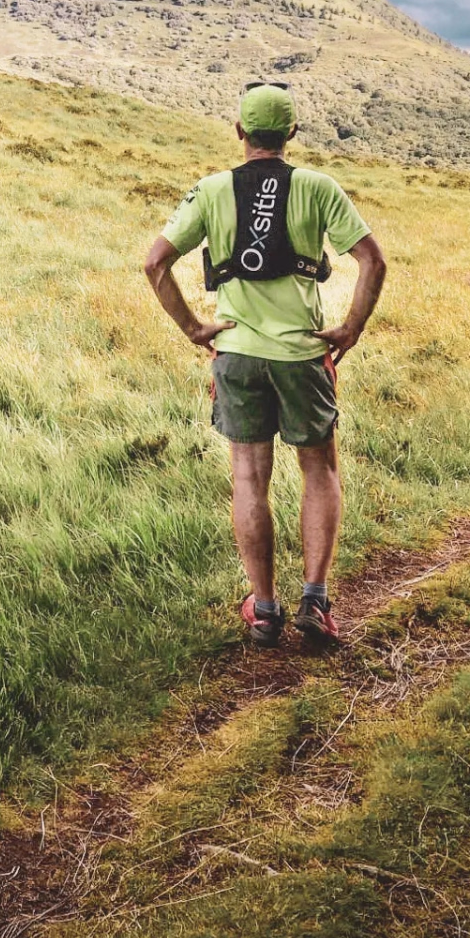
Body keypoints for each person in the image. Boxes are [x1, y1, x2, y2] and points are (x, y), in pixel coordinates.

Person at [142, 83, 387, 649]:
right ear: (292, 134)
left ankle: (265, 610)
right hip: (303, 355)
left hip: (238, 355)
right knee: (318, 472)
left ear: (240, 133)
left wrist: (195, 329)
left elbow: (155, 262)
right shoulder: (319, 188)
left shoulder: (210, 190)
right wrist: (349, 329)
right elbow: (372, 260)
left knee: (249, 477)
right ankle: (316, 603)